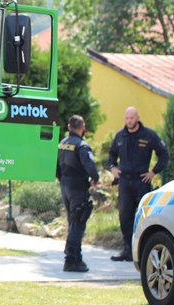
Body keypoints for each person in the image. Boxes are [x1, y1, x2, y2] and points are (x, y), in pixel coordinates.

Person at [108, 106, 168, 262]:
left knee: (143, 216)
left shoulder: (149, 135)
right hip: (125, 181)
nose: (129, 121)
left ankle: (142, 250)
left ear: (138, 118)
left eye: (132, 118)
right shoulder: (120, 136)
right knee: (124, 216)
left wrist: (153, 172)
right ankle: (127, 249)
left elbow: (163, 154)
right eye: (127, 118)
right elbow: (112, 155)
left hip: (141, 180)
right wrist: (112, 168)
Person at [56, 115, 100, 273]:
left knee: (73, 223)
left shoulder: (62, 144)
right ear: (83, 128)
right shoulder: (82, 146)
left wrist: (63, 180)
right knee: (78, 224)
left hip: (65, 187)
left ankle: (76, 258)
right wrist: (95, 178)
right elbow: (90, 167)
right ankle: (71, 260)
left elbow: (56, 167)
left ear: (69, 127)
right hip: (78, 188)